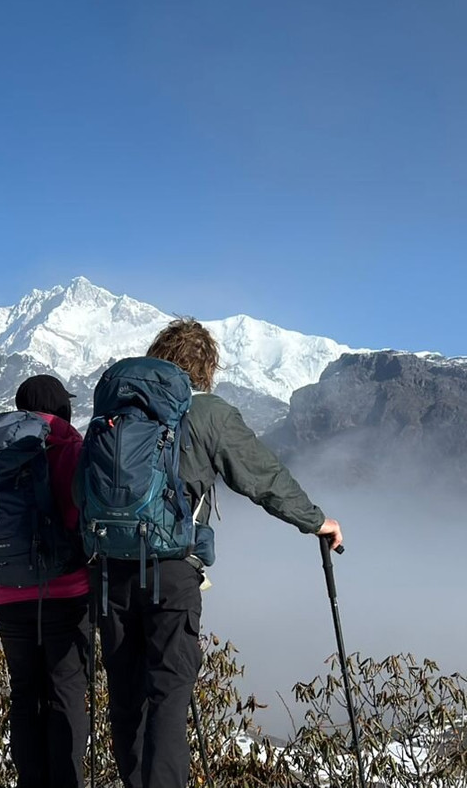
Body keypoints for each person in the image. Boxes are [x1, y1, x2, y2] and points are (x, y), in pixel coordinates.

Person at [99, 318, 345, 788]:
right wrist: (315, 520)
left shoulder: (119, 410)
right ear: (205, 369)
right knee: (169, 696)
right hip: (171, 573)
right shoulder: (209, 413)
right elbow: (262, 477)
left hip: (111, 571)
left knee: (126, 699)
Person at [0, 374, 90, 788]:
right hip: (66, 591)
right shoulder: (71, 447)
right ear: (60, 407)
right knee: (65, 692)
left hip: (8, 593)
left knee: (25, 691)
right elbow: (77, 516)